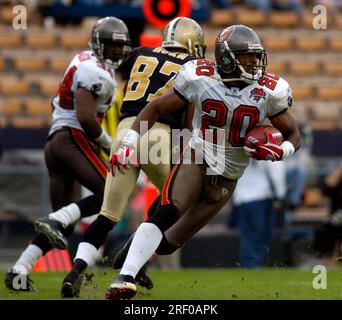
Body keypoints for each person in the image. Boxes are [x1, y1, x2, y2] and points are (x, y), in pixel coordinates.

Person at [105, 24, 301, 300]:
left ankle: (134, 247)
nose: (255, 63)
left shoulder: (269, 91)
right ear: (227, 58)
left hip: (228, 175)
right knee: (167, 211)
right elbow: (156, 107)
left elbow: (293, 133)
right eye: (247, 57)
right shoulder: (200, 76)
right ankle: (124, 279)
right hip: (199, 156)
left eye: (256, 57)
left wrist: (282, 152)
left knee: (168, 244)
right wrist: (128, 143)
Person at [57, 17, 206, 298]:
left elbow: (118, 77)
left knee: (108, 214)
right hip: (158, 134)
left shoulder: (139, 54)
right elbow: (187, 119)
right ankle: (132, 262)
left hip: (126, 130)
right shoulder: (193, 66)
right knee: (174, 203)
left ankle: (75, 272)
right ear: (192, 43)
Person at [4, 17, 131, 292]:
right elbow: (86, 117)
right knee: (108, 193)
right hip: (72, 138)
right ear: (98, 44)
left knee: (64, 226)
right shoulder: (94, 70)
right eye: (111, 46)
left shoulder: (84, 60)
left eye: (120, 47)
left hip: (56, 141)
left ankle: (18, 271)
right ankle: (57, 218)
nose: (116, 51)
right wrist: (109, 144)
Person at [229, 159, 286, 268]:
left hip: (242, 199)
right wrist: (279, 196)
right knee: (260, 234)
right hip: (261, 197)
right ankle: (255, 264)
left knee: (247, 235)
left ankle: (250, 264)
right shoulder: (266, 145)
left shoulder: (237, 147)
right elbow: (276, 170)